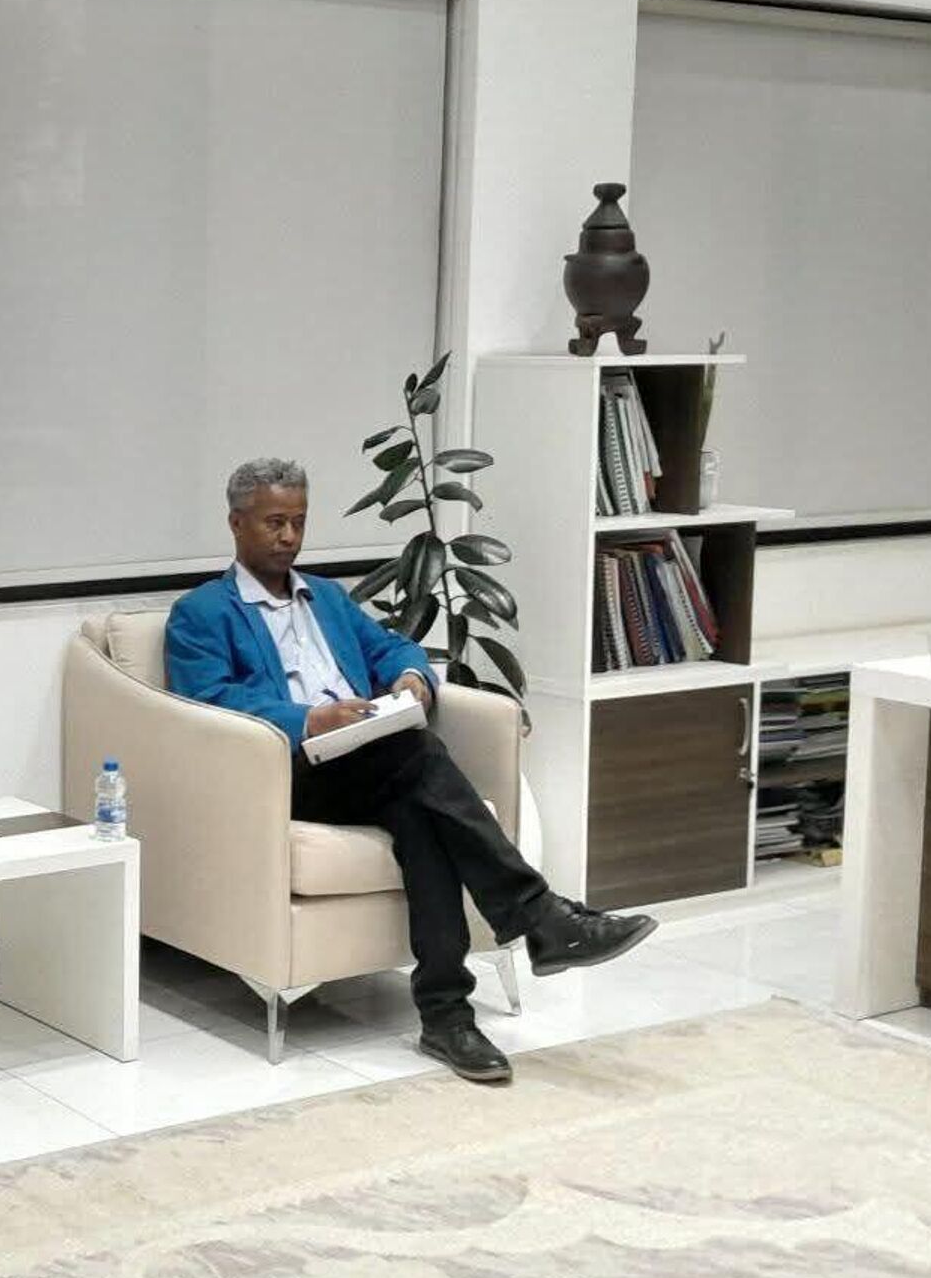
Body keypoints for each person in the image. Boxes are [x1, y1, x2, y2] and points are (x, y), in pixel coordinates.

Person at [165, 459, 658, 1083]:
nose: (289, 536)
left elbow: (392, 647)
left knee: (422, 818)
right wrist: (310, 720)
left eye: (298, 522)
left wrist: (410, 678)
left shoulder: (327, 598)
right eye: (274, 523)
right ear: (237, 524)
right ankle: (539, 917)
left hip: (369, 763)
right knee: (417, 756)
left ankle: (447, 1017)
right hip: (288, 774)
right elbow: (208, 702)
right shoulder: (203, 612)